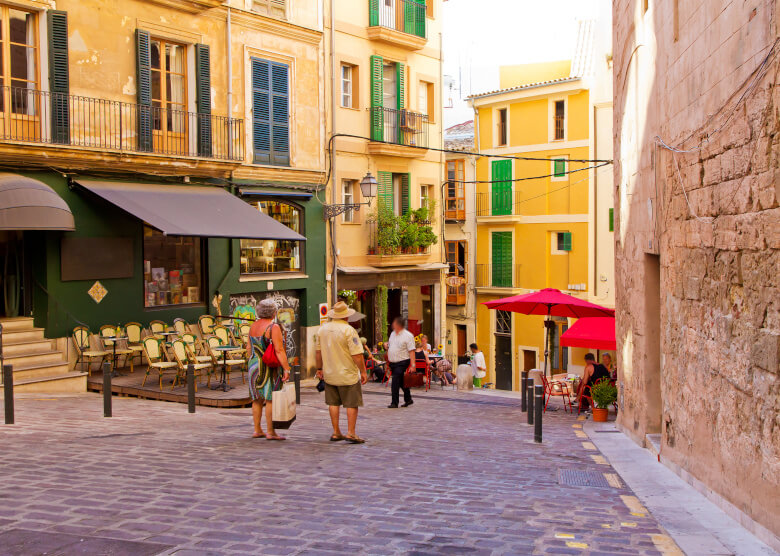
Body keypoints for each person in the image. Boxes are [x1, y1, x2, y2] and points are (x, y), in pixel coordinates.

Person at [315, 301, 369, 444]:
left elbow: (318, 352)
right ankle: (351, 432)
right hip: (347, 373)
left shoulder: (323, 330)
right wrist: (363, 371)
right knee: (352, 403)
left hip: (330, 373)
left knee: (333, 403)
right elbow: (357, 354)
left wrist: (319, 368)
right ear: (346, 316)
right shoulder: (349, 331)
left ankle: (336, 431)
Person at [247, 299, 291, 441]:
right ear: (274, 312)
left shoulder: (252, 326)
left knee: (256, 399)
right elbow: (278, 350)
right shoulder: (273, 327)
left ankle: (257, 429)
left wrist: (253, 360)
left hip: (254, 364)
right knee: (270, 398)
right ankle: (270, 431)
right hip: (268, 366)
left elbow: (248, 348)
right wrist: (286, 368)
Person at [387, 316, 416, 408]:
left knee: (395, 381)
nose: (392, 324)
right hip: (393, 362)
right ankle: (408, 399)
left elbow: (411, 351)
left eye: (394, 323)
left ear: (398, 325)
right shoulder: (392, 334)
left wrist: (413, 365)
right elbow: (391, 346)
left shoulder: (408, 336)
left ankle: (394, 402)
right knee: (401, 381)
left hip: (402, 361)